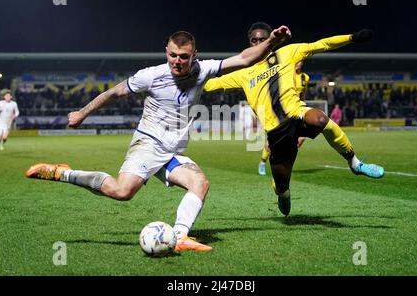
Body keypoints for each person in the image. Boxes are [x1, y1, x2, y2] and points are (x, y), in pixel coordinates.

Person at [26, 27, 291, 251]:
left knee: (200, 183)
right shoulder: (150, 76)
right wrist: (82, 113)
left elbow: (245, 59)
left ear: (193, 55)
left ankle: (180, 236)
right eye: (172, 55)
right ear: (166, 52)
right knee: (122, 192)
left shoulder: (204, 70)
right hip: (148, 144)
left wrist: (272, 41)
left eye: (183, 57)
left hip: (172, 151)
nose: (177, 61)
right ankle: (64, 173)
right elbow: (114, 94)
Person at [203, 27, 385, 217]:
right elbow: (210, 85)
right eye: (254, 41)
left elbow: (322, 44)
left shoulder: (288, 52)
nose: (258, 43)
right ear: (250, 44)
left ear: (270, 40)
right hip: (276, 132)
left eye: (262, 39)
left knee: (321, 119)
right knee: (281, 186)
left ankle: (355, 164)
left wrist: (352, 37)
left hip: (297, 113)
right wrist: (183, 75)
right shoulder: (243, 73)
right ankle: (283, 194)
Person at [248, 22, 310, 176]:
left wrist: (303, 104)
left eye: (300, 61)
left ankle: (286, 160)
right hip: (275, 107)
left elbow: (303, 95)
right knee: (273, 142)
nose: (298, 63)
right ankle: (263, 162)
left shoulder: (304, 78)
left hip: (294, 108)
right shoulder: (282, 69)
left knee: (301, 138)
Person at [0, 89, 20, 156]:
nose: (7, 97)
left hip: (8, 123)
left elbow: (17, 112)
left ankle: (2, 144)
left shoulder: (14, 104)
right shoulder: (0, 103)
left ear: (11, 97)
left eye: (9, 96)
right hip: (0, 123)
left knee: (4, 137)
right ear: (4, 97)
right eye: (6, 96)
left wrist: (14, 116)